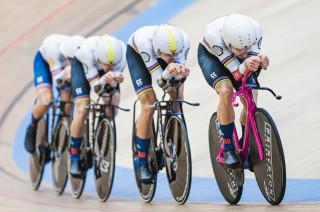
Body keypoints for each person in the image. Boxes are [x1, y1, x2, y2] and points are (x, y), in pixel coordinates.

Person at [198, 14, 269, 168]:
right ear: (229, 43)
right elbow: (236, 73)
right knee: (226, 91)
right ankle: (228, 147)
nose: (244, 53)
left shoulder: (255, 29)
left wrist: (261, 61)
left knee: (251, 95)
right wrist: (246, 62)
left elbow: (250, 60)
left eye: (247, 48)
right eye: (240, 50)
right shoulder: (214, 36)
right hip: (212, 59)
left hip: (235, 56)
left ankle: (245, 141)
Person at [126, 24, 191, 182]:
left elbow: (175, 82)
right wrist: (169, 71)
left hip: (162, 56)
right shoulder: (145, 43)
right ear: (159, 50)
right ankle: (142, 162)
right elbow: (161, 82)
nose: (172, 58)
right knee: (149, 104)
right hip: (138, 56)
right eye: (168, 55)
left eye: (175, 55)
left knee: (177, 94)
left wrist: (180, 74)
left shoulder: (184, 41)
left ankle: (171, 135)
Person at [69, 34, 126, 177]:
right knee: (82, 110)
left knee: (112, 107)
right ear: (99, 59)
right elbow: (97, 89)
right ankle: (75, 156)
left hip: (103, 73)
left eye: (113, 65)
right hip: (82, 68)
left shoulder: (123, 53)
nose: (110, 67)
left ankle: (101, 137)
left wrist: (112, 79)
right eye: (107, 65)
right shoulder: (86, 53)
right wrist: (103, 81)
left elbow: (110, 89)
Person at [24, 34, 85, 153]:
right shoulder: (53, 48)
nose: (74, 63)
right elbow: (58, 81)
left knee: (67, 107)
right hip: (45, 64)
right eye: (71, 60)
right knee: (46, 101)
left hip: (64, 71)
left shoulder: (81, 49)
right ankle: (32, 126)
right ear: (66, 55)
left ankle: (60, 131)